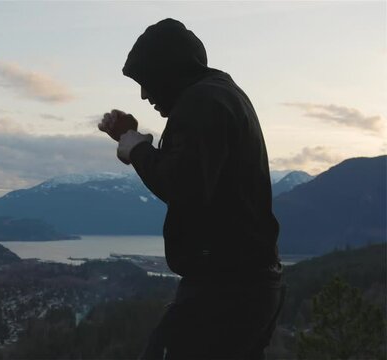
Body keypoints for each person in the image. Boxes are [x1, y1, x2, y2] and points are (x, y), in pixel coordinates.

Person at [98, 19, 285, 359]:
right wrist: (134, 140)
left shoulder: (202, 101)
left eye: (147, 81)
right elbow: (195, 174)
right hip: (248, 285)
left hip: (225, 291)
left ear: (170, 71)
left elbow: (181, 186)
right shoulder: (221, 95)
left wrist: (136, 148)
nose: (144, 94)